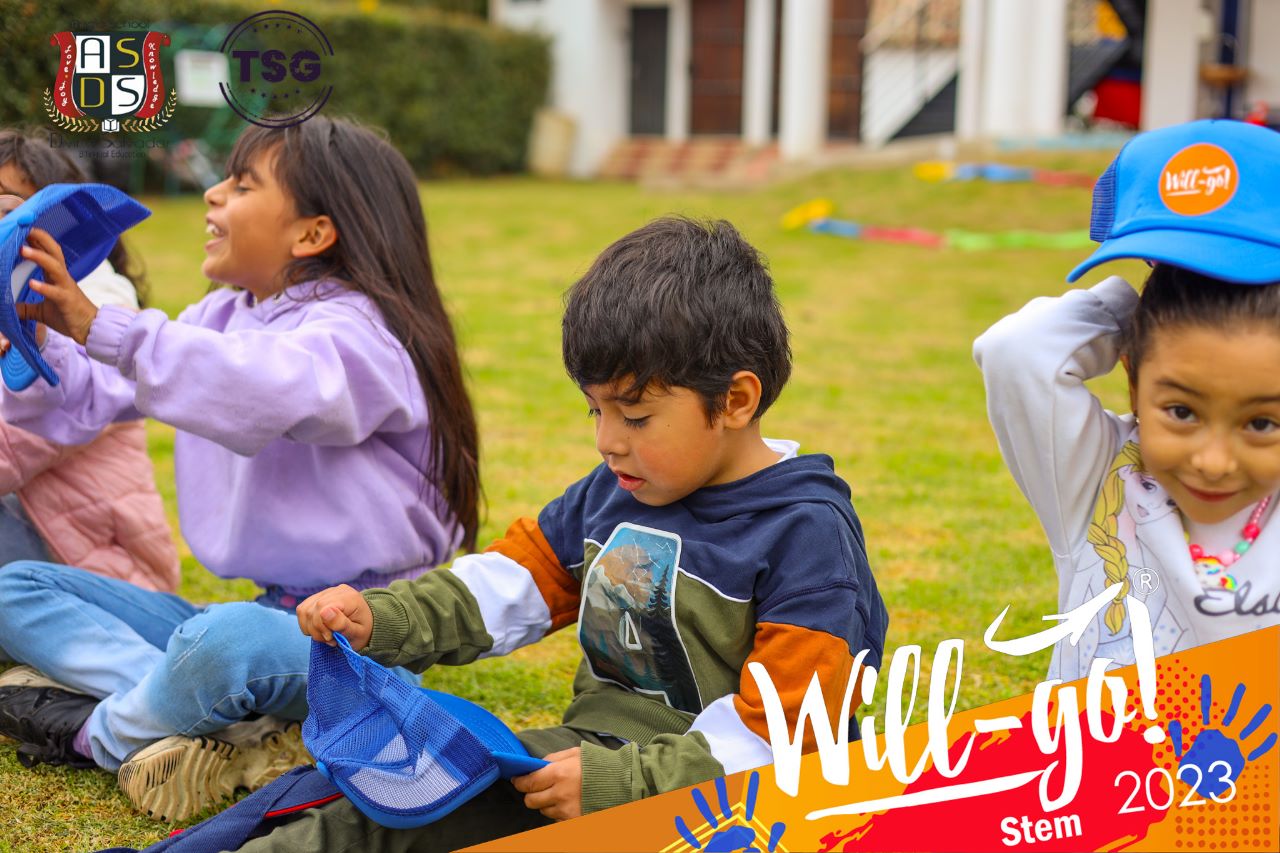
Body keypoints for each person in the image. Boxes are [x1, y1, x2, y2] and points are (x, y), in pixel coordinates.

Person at [227, 216, 888, 852]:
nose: (607, 440)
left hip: (721, 810)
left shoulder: (807, 535)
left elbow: (789, 736)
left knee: (392, 821)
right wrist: (383, 617)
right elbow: (503, 585)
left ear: (736, 400)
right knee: (362, 789)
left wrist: (622, 786)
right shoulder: (614, 493)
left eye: (634, 415)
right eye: (595, 410)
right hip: (594, 764)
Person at [0, 117, 481, 824]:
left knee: (226, 640)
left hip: (357, 635)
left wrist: (102, 325)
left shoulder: (362, 335)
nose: (212, 194)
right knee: (16, 587)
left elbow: (265, 384)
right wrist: (35, 337)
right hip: (270, 614)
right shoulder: (224, 315)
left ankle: (98, 734)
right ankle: (216, 722)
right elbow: (93, 398)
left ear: (312, 233)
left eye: (242, 184)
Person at [975, 118, 1280, 682]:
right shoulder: (1099, 480)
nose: (1213, 461)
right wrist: (1134, 317)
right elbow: (1016, 351)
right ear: (1134, 379)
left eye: (1261, 423)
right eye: (1181, 412)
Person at [0, 129, 177, 593]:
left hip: (106, 579)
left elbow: (10, 450)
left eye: (6, 210)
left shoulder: (97, 318)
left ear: (62, 223)